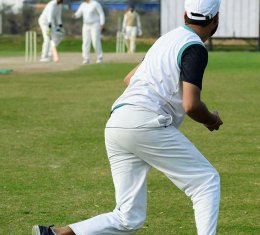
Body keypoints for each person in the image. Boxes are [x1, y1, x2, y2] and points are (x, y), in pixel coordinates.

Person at [32, 0, 223, 234]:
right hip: (145, 122)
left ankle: (53, 233)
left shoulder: (165, 40)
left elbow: (129, 79)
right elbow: (191, 105)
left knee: (128, 217)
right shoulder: (194, 47)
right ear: (215, 20)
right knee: (206, 182)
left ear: (185, 15)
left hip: (117, 121)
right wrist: (211, 119)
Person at [74, 0, 105, 64]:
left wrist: (102, 23)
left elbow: (101, 13)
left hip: (95, 24)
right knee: (85, 41)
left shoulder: (95, 4)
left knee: (95, 41)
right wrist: (74, 15)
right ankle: (86, 58)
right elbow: (78, 13)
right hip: (86, 25)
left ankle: (100, 57)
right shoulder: (83, 5)